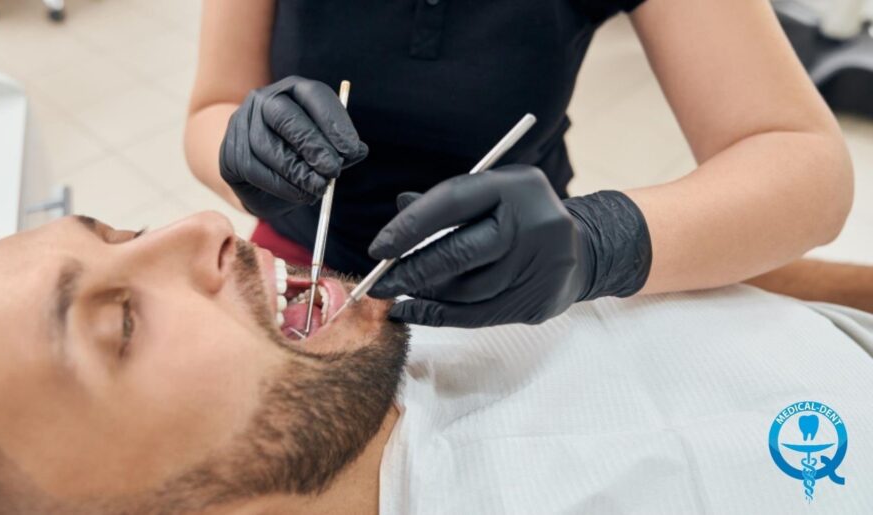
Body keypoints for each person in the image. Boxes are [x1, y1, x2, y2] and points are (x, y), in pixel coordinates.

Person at [0, 213, 872, 514]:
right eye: (119, 323)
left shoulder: (389, 320)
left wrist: (622, 242)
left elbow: (774, 288)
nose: (199, 229)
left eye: (116, 229)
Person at [185, 0, 857, 329]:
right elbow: (211, 105)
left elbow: (806, 165)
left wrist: (599, 241)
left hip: (518, 276)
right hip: (299, 261)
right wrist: (237, 145)